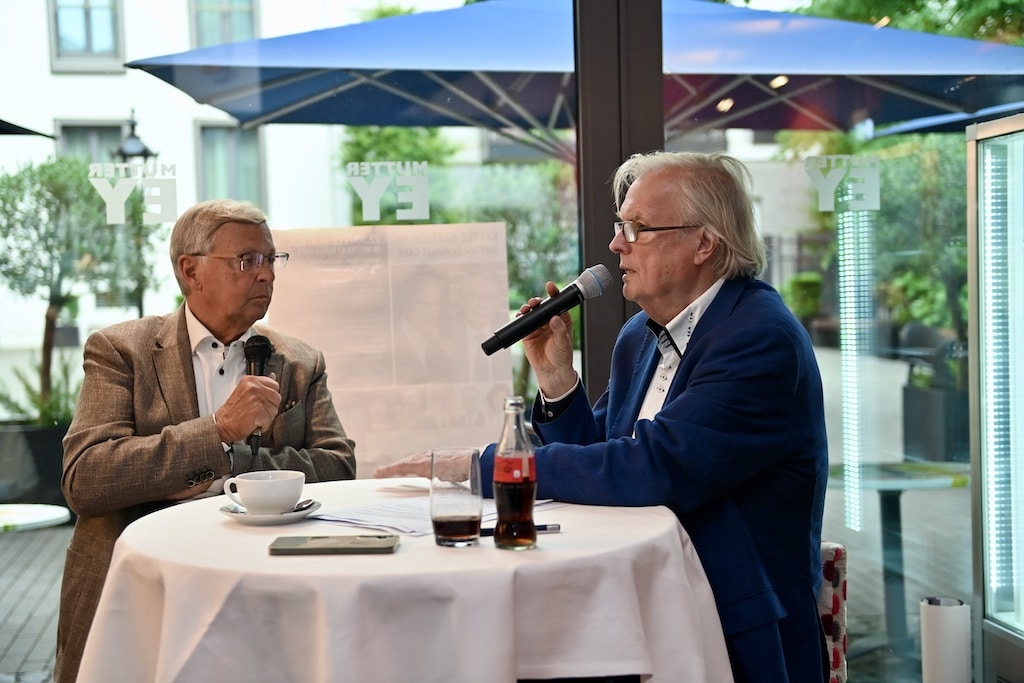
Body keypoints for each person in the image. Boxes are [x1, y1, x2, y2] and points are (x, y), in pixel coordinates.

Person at [376, 151, 829, 682]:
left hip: (734, 626)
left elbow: (655, 468)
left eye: (637, 228)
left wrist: (489, 465)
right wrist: (556, 379)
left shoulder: (759, 339)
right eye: (620, 226)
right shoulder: (640, 334)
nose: (616, 245)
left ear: (703, 243)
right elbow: (602, 456)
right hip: (640, 600)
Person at [56, 199, 357, 683]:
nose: (267, 275)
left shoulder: (300, 362)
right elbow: (86, 478)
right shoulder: (122, 351)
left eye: (271, 259)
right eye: (247, 260)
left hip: (267, 594)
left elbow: (339, 467)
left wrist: (228, 462)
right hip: (144, 594)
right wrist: (215, 430)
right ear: (190, 270)